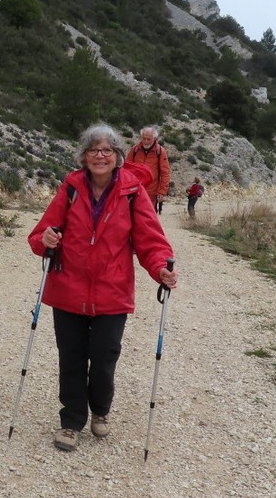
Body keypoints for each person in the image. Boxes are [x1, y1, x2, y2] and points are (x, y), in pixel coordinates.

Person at [29, 123, 178, 452]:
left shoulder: (132, 192)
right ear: (83, 157)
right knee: (71, 357)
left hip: (112, 291)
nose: (100, 155)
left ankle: (100, 410)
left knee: (104, 355)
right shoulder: (70, 189)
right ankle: (71, 422)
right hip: (68, 288)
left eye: (107, 150)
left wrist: (161, 269)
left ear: (118, 156)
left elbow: (150, 241)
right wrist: (46, 239)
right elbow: (40, 235)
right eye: (93, 150)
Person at [126, 125, 171, 213]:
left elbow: (165, 173)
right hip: (135, 191)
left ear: (154, 138)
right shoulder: (135, 150)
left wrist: (162, 192)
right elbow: (127, 169)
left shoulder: (160, 152)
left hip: (151, 193)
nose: (145, 141)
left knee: (148, 218)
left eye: (148, 139)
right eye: (144, 138)